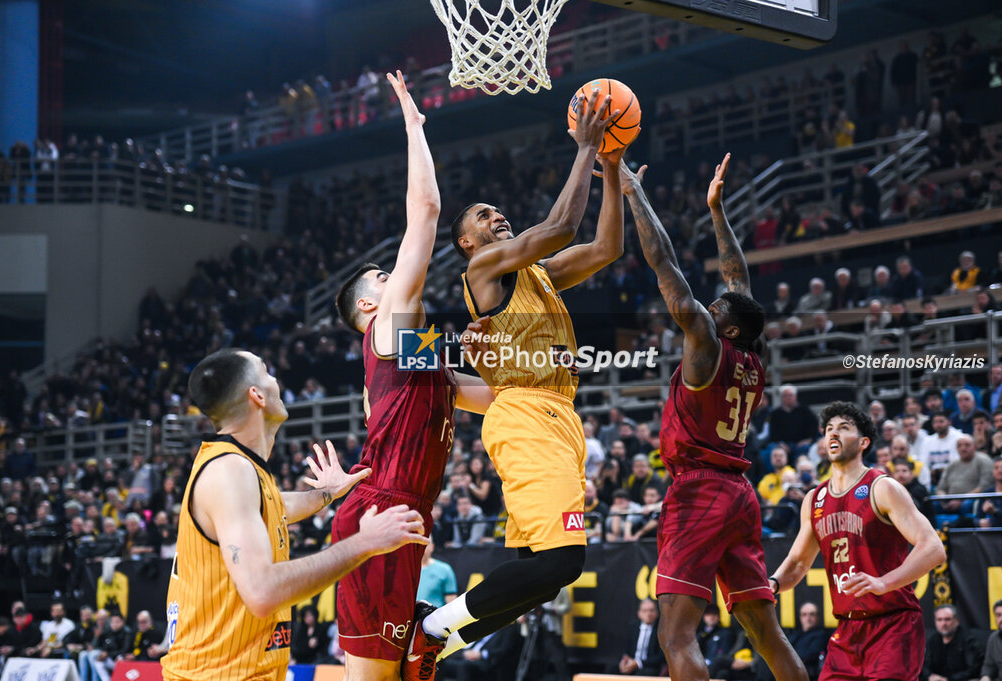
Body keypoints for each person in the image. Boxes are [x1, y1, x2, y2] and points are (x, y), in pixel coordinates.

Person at [405, 88, 630, 680]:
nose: (496, 215)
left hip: (555, 413)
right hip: (529, 415)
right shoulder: (483, 270)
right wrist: (585, 147)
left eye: (497, 210)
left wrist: (610, 169)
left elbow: (608, 245)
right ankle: (429, 626)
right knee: (564, 560)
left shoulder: (538, 274)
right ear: (468, 243)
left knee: (540, 573)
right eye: (484, 215)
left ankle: (437, 641)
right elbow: (560, 224)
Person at [618, 152, 806, 681]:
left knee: (675, 635)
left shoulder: (705, 344)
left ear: (721, 328)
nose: (710, 305)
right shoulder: (751, 355)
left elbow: (664, 264)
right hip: (740, 496)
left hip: (699, 490)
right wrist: (717, 211)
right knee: (766, 633)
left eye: (716, 310)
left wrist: (634, 192)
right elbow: (738, 281)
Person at [333, 71, 494, 681]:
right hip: (383, 512)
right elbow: (425, 211)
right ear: (371, 307)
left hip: (402, 513)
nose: (396, 278)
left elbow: (480, 397)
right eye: (383, 279)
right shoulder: (386, 328)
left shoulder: (411, 348)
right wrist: (414, 124)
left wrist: (544, 384)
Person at [160, 348, 429, 681]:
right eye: (267, 372)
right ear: (256, 395)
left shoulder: (239, 471)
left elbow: (277, 506)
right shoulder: (229, 472)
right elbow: (263, 593)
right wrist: (365, 543)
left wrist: (328, 493)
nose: (276, 380)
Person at [769, 401, 946, 681]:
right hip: (847, 631)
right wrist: (773, 584)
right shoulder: (814, 499)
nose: (833, 434)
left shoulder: (882, 487)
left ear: (864, 442)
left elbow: (934, 548)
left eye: (843, 428)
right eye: (828, 429)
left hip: (893, 623)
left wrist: (883, 582)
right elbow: (798, 562)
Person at [924, 605, 984, 681]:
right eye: (939, 620)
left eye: (947, 619)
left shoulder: (969, 640)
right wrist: (929, 676)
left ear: (957, 621)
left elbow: (974, 669)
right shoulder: (932, 640)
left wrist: (948, 679)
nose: (943, 624)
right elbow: (925, 665)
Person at [612, 599, 665, 676]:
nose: (648, 614)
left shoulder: (661, 630)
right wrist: (624, 660)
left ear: (657, 613)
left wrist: (638, 663)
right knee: (612, 668)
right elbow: (626, 650)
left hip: (648, 667)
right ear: (639, 613)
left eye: (651, 610)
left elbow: (661, 657)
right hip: (631, 663)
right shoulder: (633, 627)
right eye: (644, 611)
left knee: (646, 673)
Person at [416, 540, 458, 608]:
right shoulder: (404, 570)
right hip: (408, 617)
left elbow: (451, 602)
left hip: (435, 616)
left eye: (425, 545)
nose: (421, 548)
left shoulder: (445, 569)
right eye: (418, 545)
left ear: (432, 546)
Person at [981, 599, 1002, 681]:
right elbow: (989, 666)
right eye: (998, 615)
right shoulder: (993, 638)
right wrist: (985, 677)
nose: (1001, 619)